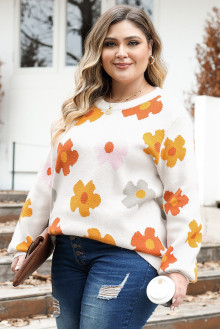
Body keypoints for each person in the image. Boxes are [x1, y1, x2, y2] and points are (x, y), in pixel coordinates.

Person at [9, 5, 202, 329]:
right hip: (69, 255)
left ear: (150, 48)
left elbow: (181, 195)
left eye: (132, 42)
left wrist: (179, 267)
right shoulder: (80, 110)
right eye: (110, 43)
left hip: (128, 256)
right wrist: (24, 243)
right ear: (98, 51)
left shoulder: (168, 115)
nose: (121, 53)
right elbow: (48, 180)